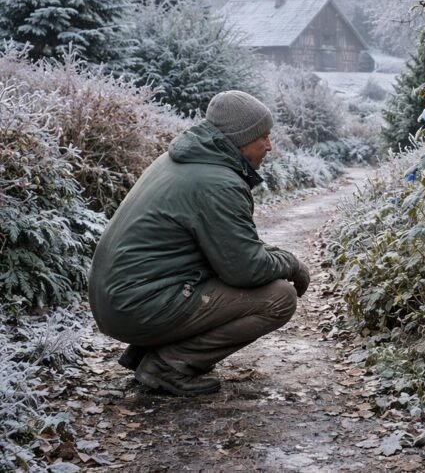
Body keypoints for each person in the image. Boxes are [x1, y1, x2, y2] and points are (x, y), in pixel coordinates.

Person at [88, 90, 310, 396]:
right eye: (264, 136)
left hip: (117, 299)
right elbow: (244, 270)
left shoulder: (182, 161)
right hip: (133, 306)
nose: (270, 146)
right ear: (241, 138)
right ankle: (168, 366)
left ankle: (150, 354)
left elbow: (233, 250)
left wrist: (278, 257)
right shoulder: (217, 182)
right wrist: (293, 265)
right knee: (279, 297)